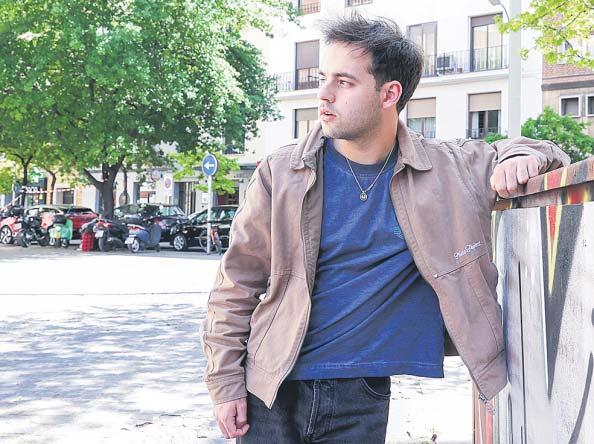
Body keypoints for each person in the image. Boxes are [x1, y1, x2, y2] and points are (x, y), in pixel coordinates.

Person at [201, 14, 569, 443]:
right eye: (323, 78)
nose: (324, 94)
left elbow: (544, 152)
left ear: (389, 93)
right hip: (269, 387)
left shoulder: (446, 170)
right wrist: (224, 383)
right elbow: (236, 284)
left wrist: (522, 158)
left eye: (344, 81)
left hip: (362, 393)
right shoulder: (281, 172)